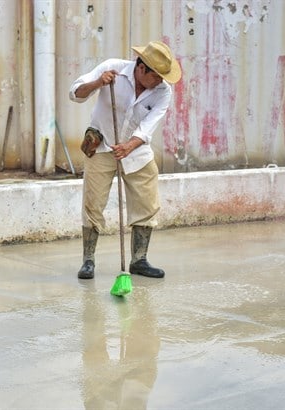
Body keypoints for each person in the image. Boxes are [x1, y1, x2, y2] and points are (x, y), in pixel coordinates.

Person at [69, 40, 181, 280]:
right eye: (157, 76)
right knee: (93, 203)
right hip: (101, 147)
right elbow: (75, 93)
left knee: (147, 203)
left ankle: (139, 260)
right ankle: (88, 261)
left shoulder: (163, 92)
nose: (161, 81)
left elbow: (149, 125)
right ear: (142, 69)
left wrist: (130, 145)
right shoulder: (113, 68)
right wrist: (98, 83)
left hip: (136, 150)